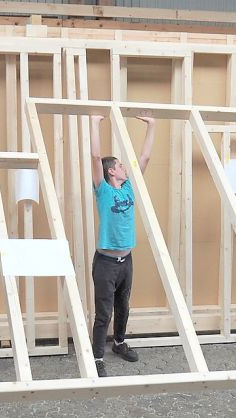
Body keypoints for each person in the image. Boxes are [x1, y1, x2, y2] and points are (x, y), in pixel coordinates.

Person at [88, 114, 156, 377]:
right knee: (103, 312)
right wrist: (95, 123)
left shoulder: (129, 188)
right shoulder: (103, 190)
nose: (125, 166)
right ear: (110, 171)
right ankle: (96, 358)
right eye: (119, 164)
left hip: (126, 260)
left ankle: (118, 343)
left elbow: (146, 158)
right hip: (105, 263)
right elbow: (95, 158)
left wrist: (152, 126)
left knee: (123, 306)